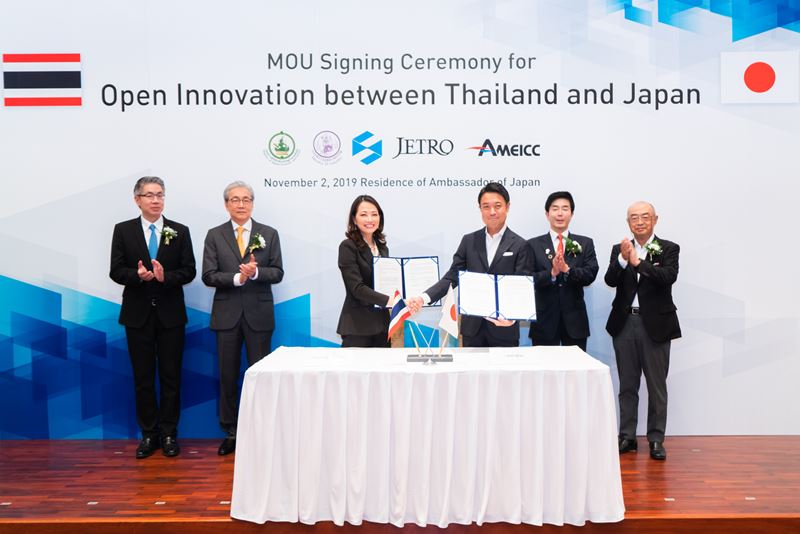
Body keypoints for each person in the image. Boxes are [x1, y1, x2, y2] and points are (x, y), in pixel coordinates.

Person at [110, 176, 196, 459]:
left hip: (171, 316)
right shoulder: (123, 230)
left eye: (160, 194)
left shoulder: (179, 231)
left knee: (171, 377)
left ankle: (169, 433)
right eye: (149, 195)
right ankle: (149, 434)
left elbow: (189, 271)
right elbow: (115, 270)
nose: (156, 200)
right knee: (143, 378)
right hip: (138, 316)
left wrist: (164, 277)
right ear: (137, 199)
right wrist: (137, 276)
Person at [201, 181, 283, 456]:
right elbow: (209, 275)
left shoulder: (269, 233)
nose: (241, 204)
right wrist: (238, 277)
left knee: (261, 376)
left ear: (252, 203)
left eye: (246, 199)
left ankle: (262, 431)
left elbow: (278, 272)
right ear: (226, 204)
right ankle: (231, 431)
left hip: (259, 315)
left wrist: (256, 273)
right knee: (227, 375)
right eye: (235, 199)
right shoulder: (215, 235)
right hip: (227, 315)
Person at [408, 182, 533, 347]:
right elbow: (452, 277)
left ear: (507, 207)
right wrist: (423, 298)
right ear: (480, 209)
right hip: (472, 330)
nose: (492, 212)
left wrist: (512, 318)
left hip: (504, 329)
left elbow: (521, 287)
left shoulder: (520, 245)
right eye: (486, 206)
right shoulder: (469, 241)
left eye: (497, 206)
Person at [605, 201, 680, 461]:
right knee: (627, 384)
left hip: (656, 325)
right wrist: (623, 260)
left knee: (657, 386)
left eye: (645, 217)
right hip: (625, 323)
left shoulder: (668, 248)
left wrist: (638, 263)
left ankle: (656, 439)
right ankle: (627, 436)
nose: (639, 222)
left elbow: (667, 277)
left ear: (655, 219)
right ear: (628, 222)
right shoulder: (619, 249)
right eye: (634, 218)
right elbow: (610, 280)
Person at [527, 191, 598, 351]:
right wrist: (552, 273)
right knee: (543, 367)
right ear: (547, 214)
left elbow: (590, 274)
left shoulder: (585, 243)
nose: (560, 213)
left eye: (565, 208)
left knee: (575, 367)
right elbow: (527, 279)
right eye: (555, 208)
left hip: (575, 322)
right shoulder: (532, 245)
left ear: (571, 214)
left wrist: (567, 270)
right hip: (544, 322)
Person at [336, 195, 396, 347]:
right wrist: (391, 301)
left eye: (374, 214)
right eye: (363, 214)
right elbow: (357, 288)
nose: (370, 219)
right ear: (354, 219)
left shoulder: (383, 248)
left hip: (383, 326)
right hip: (358, 327)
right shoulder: (348, 246)